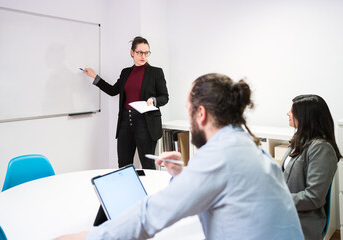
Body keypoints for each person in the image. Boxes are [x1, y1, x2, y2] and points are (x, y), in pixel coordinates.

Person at [55, 73, 303, 240]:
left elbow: (150, 215)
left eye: (188, 111)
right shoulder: (248, 148)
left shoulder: (220, 157)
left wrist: (90, 237)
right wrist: (183, 175)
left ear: (201, 114)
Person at [83, 36, 169, 169]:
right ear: (132, 52)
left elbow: (165, 97)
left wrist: (154, 100)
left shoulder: (156, 72)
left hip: (145, 124)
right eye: (140, 52)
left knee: (147, 166)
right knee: (124, 165)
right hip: (125, 123)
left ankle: (150, 190)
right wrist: (95, 77)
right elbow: (113, 91)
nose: (143, 56)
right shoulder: (125, 72)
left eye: (146, 53)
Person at [281, 94, 341, 240]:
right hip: (286, 213)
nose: (288, 113)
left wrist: (278, 198)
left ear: (305, 116)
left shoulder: (321, 148)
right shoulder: (299, 140)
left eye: (292, 111)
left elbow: (314, 197)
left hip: (302, 223)